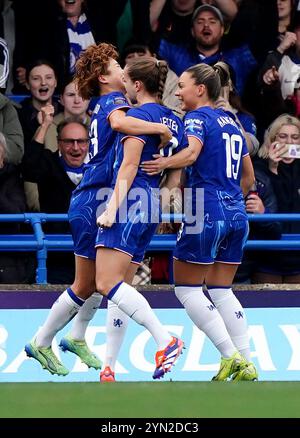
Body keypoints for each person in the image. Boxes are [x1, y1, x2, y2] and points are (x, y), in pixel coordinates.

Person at [24, 43, 173, 377]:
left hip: (89, 196)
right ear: (104, 76)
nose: (123, 68)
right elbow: (121, 125)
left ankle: (69, 336)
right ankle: (44, 339)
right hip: (95, 197)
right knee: (94, 282)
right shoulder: (114, 102)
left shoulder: (101, 102)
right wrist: (159, 129)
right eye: (116, 64)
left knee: (91, 282)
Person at [141, 63, 258, 381]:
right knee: (221, 290)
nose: (177, 92)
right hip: (236, 213)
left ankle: (230, 356)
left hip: (203, 208)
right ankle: (247, 362)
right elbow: (249, 176)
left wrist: (163, 162)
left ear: (201, 90)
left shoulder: (196, 118)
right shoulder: (232, 122)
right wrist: (231, 197)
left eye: (182, 86)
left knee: (187, 289)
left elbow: (191, 153)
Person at [95, 57, 187, 381]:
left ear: (136, 85)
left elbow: (129, 165)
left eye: (126, 79)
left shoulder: (139, 115)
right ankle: (109, 367)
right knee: (121, 287)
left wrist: (110, 209)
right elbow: (179, 163)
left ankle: (165, 339)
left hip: (130, 201)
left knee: (105, 283)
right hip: (151, 203)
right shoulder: (172, 119)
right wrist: (167, 194)